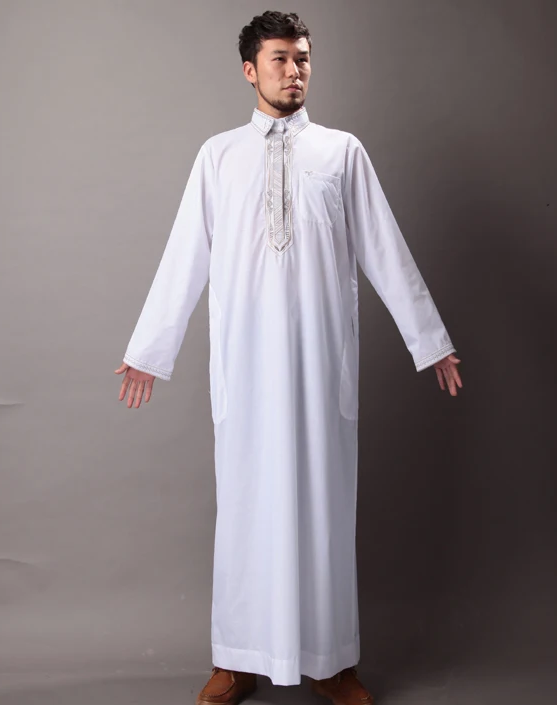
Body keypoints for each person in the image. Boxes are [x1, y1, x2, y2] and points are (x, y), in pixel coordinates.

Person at [115, 10, 463, 705]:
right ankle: (238, 657)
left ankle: (330, 661)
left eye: (301, 58)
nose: (293, 71)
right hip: (245, 366)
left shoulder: (341, 152)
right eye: (278, 59)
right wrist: (150, 349)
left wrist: (430, 341)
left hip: (319, 365)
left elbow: (385, 249)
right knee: (246, 506)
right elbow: (185, 255)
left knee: (322, 508)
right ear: (250, 70)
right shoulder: (219, 157)